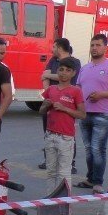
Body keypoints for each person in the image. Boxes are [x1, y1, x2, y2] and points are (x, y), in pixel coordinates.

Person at [75, 34, 108, 194]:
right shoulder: (85, 68)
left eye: (98, 45)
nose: (94, 48)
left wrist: (101, 95)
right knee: (88, 149)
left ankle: (98, 183)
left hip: (103, 114)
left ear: (105, 48)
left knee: (98, 149)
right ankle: (90, 179)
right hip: (84, 114)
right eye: (92, 45)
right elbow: (78, 89)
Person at [39, 57, 86, 194]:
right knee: (51, 172)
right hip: (50, 135)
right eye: (61, 69)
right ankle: (49, 202)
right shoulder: (51, 89)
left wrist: (65, 109)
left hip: (66, 138)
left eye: (67, 70)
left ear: (73, 73)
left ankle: (64, 205)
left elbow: (82, 114)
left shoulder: (75, 91)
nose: (63, 73)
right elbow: (41, 111)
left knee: (64, 173)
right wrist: (46, 106)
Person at [39, 38, 81, 172]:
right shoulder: (53, 60)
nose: (52, 49)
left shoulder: (75, 62)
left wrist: (51, 75)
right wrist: (48, 93)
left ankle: (71, 163)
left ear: (60, 48)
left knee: (67, 132)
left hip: (67, 102)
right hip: (51, 101)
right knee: (48, 130)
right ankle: (49, 159)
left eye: (54, 47)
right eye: (61, 69)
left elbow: (68, 78)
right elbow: (44, 77)